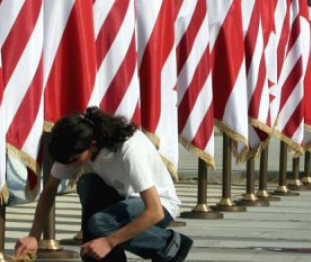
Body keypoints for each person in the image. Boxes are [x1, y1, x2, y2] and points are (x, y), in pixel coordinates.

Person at [14, 107, 193, 262]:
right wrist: (34, 236)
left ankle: (169, 244)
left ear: (92, 144)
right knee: (87, 184)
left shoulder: (128, 149)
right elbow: (49, 190)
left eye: (73, 160)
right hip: (123, 199)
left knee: (101, 222)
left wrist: (109, 242)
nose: (69, 165)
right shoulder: (74, 146)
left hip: (161, 205)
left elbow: (155, 211)